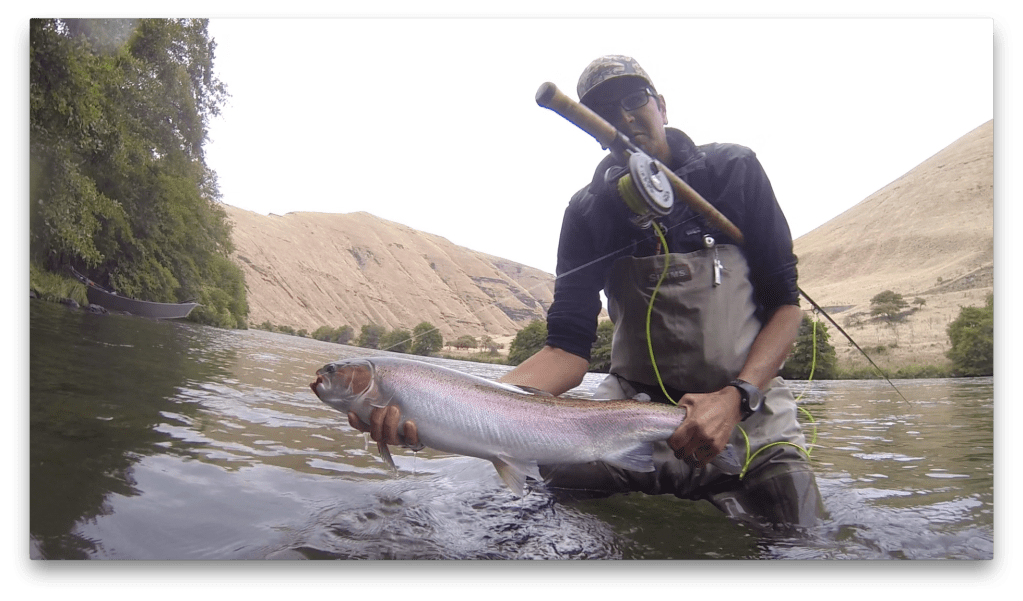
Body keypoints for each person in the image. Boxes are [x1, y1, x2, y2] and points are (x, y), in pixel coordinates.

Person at [349, 55, 823, 528]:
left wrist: (737, 396)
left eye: (634, 100)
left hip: (746, 408)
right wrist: (443, 414)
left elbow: (786, 306)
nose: (624, 117)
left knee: (801, 535)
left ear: (661, 105)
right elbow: (566, 352)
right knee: (541, 508)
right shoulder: (587, 211)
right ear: (594, 131)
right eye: (604, 111)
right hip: (625, 414)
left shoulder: (734, 170)